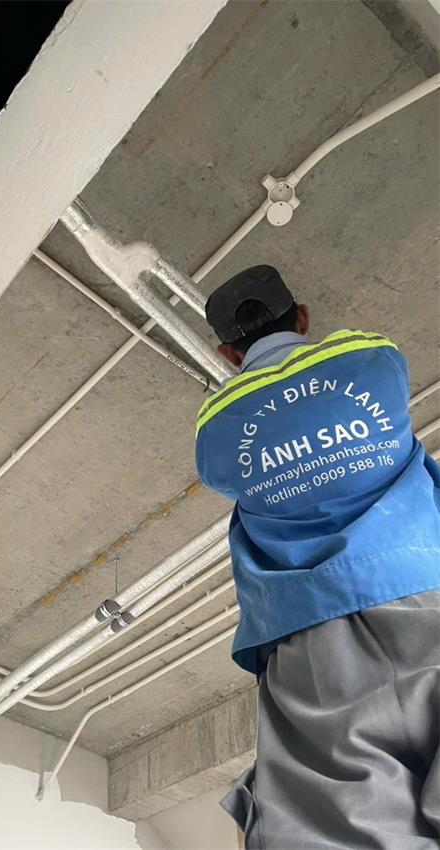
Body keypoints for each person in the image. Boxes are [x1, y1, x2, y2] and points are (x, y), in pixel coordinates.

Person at [195, 265, 440, 849]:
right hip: (423, 585)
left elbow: (220, 474)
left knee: (340, 829)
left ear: (228, 354)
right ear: (301, 317)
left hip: (310, 638)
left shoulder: (213, 426)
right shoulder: (368, 357)